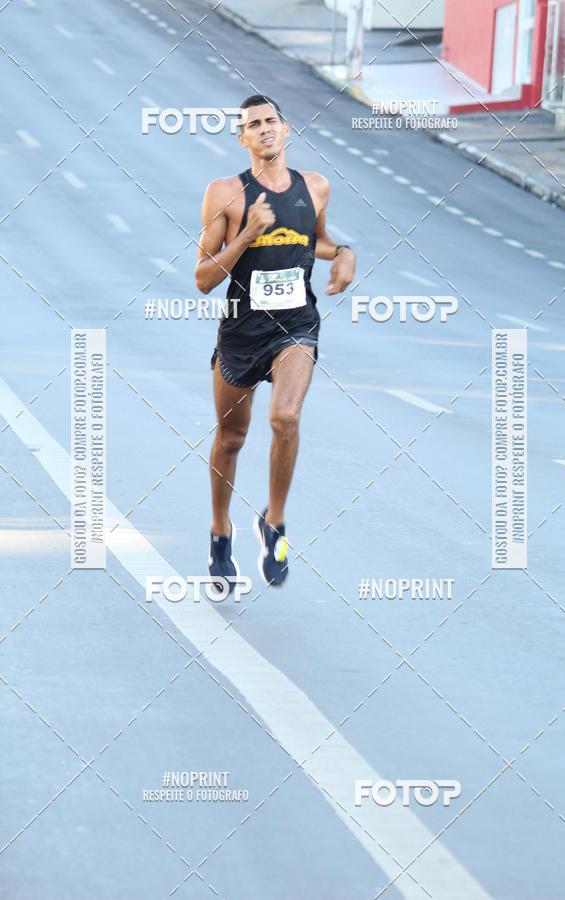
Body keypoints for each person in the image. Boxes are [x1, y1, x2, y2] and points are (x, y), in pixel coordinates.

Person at [195, 94, 355, 590]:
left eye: (271, 122)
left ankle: (275, 522)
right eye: (253, 125)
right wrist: (246, 235)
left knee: (285, 417)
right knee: (232, 439)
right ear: (243, 138)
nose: (264, 130)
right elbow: (202, 277)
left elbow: (313, 240)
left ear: (286, 131)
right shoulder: (225, 194)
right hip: (241, 331)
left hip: (295, 327)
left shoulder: (317, 187)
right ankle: (221, 531)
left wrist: (343, 253)